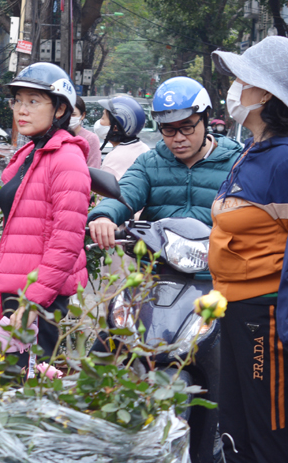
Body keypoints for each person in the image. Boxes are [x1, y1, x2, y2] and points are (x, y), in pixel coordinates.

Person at [208, 36, 288, 461]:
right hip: (234, 309)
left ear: (267, 94)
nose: (233, 88)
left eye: (243, 79)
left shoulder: (283, 160)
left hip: (266, 315)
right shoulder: (251, 151)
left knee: (267, 430)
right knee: (234, 428)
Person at [0, 62, 91, 360]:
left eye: (33, 101)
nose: (22, 110)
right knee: (12, 379)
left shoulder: (67, 158)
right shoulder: (29, 153)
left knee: (32, 380)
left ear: (60, 109)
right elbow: (16, 235)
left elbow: (67, 240)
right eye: (18, 100)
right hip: (19, 292)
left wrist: (35, 300)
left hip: (42, 298)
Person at [88, 77, 242, 249]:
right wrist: (104, 216)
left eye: (187, 128)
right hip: (156, 261)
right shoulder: (149, 163)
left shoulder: (238, 164)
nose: (178, 138)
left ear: (205, 118)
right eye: (168, 129)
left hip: (217, 261)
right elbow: (127, 190)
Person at [93, 95, 150, 180]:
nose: (99, 122)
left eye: (103, 118)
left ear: (115, 128)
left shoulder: (113, 159)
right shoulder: (145, 149)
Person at [72, 96, 102, 168]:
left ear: (82, 115)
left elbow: (94, 168)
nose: (69, 117)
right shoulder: (54, 135)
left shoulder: (90, 138)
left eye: (73, 115)